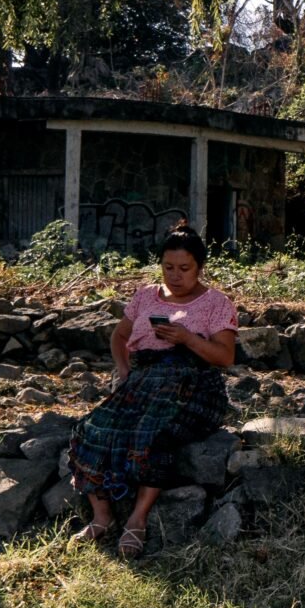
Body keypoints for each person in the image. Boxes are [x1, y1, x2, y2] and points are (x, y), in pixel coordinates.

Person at [68, 223, 237, 559]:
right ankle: (102, 517)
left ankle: (138, 519)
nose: (175, 275)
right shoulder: (146, 296)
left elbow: (225, 357)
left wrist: (187, 338)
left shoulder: (216, 303)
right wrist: (123, 369)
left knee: (152, 433)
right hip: (143, 381)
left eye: (184, 268)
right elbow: (119, 336)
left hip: (193, 386)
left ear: (200, 267)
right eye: (168, 267)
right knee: (90, 429)